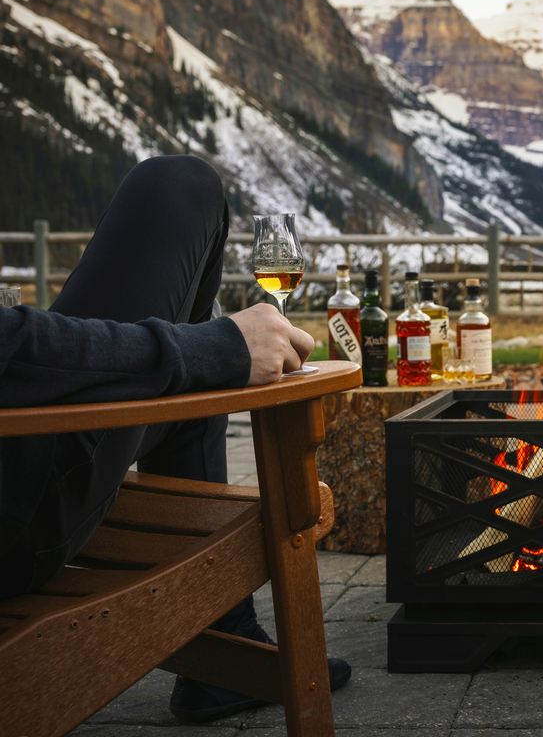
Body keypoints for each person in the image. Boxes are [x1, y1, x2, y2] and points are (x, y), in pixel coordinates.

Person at [0, 155, 350, 722]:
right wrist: (218, 348)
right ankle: (226, 636)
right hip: (21, 506)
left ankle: (225, 635)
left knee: (191, 328)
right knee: (178, 185)